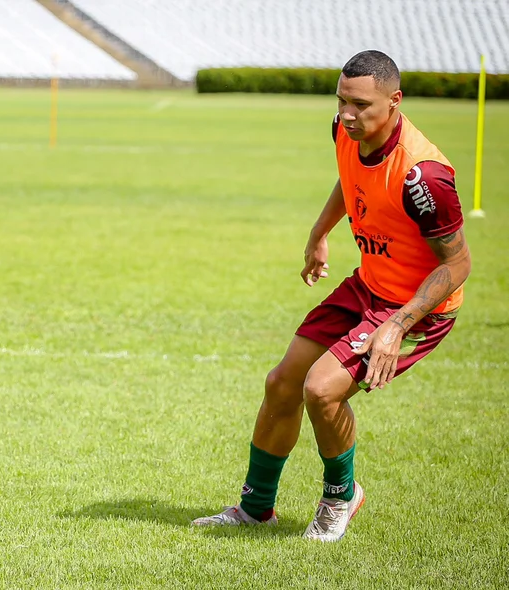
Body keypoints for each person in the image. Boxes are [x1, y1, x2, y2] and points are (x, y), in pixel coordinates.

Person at [192, 50, 471, 541]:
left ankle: (341, 497)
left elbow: (458, 264)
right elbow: (351, 181)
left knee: (320, 389)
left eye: (361, 105)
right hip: (369, 284)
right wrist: (320, 232)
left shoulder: (423, 176)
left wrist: (397, 325)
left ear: (395, 101)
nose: (347, 114)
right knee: (282, 382)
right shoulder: (345, 130)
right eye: (341, 100)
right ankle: (256, 509)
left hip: (418, 308)